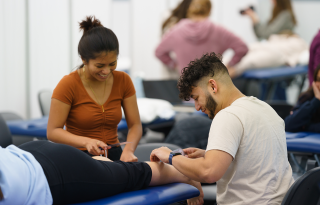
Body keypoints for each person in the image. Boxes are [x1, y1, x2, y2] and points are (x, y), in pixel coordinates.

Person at [150, 52, 294, 204]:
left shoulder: (228, 116)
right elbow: (257, 158)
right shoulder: (265, 108)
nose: (197, 107)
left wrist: (170, 157)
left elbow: (208, 172)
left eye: (197, 98)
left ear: (213, 86)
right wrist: (210, 154)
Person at [47, 16, 142, 162]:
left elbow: (135, 125)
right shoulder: (68, 84)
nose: (106, 71)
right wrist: (86, 141)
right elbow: (53, 132)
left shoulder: (123, 80)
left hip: (115, 154)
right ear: (84, 60)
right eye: (99, 66)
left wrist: (128, 151)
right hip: (80, 156)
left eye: (112, 63)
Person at [0, 140, 204, 205]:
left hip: (54, 172)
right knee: (105, 170)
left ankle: (185, 175)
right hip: (28, 154)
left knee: (132, 174)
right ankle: (100, 166)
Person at [155, 0, 248, 77]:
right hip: (213, 88)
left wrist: (176, 66)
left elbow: (159, 52)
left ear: (190, 9)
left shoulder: (176, 31)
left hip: (187, 90)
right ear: (209, 10)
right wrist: (229, 66)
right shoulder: (218, 30)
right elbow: (242, 48)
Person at [285, 64, 320, 133]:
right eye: (318, 79)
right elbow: (288, 124)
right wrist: (316, 101)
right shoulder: (307, 97)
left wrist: (306, 127)